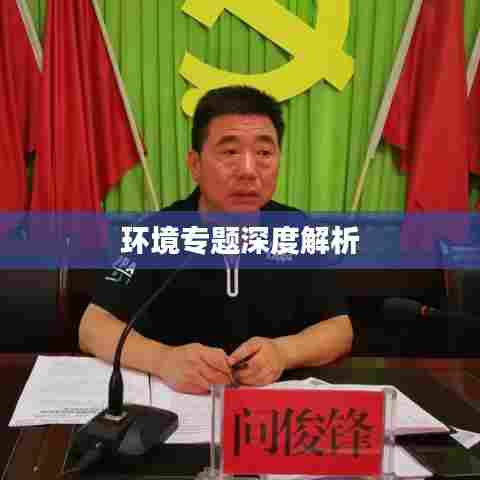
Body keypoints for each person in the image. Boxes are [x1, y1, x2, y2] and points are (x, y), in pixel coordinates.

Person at [79, 85, 353, 394]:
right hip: (177, 404)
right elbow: (93, 326)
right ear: (195, 165)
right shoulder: (158, 232)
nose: (248, 171)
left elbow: (339, 329)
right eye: (230, 152)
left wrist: (283, 353)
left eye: (264, 153)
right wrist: (163, 359)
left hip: (270, 407)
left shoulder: (296, 229)